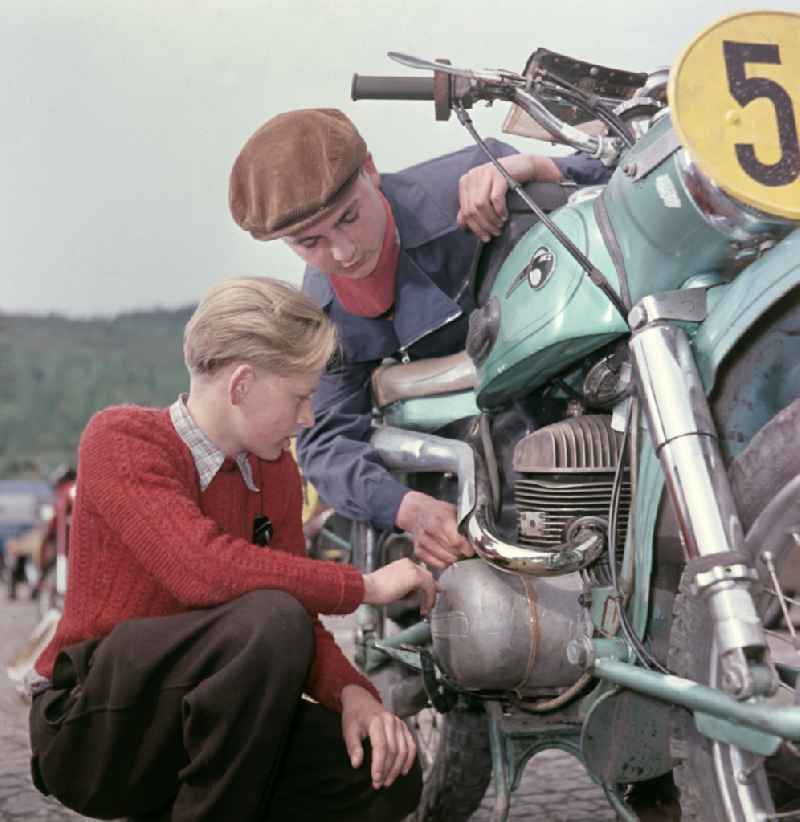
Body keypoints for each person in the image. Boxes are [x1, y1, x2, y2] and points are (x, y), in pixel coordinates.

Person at [28, 277, 435, 822]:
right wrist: (365, 586)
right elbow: (201, 568)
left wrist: (354, 695)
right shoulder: (121, 439)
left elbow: (301, 622)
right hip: (95, 730)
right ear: (242, 384)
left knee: (387, 772)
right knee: (272, 617)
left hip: (206, 724)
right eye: (301, 396)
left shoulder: (278, 475)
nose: (309, 417)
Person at [229, 108, 610, 570]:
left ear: (370, 169)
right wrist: (409, 510)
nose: (343, 252)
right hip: (479, 455)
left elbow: (622, 185)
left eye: (349, 217)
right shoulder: (324, 316)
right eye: (310, 243)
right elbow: (326, 441)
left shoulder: (470, 183)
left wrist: (534, 168)